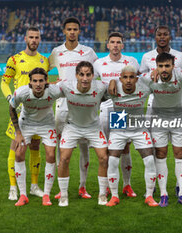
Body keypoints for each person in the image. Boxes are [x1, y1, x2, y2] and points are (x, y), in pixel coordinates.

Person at [49, 17, 98, 199]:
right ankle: (62, 189)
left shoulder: (88, 52)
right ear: (64, 31)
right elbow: (42, 69)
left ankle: (82, 186)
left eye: (75, 29)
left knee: (84, 147)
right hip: (62, 105)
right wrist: (49, 82)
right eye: (68, 29)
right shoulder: (56, 52)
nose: (71, 32)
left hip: (84, 105)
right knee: (63, 149)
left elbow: (97, 72)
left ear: (79, 31)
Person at [139, 25, 182, 196]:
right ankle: (154, 184)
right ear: (155, 37)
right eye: (159, 35)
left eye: (165, 35)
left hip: (175, 101)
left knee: (179, 150)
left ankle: (179, 185)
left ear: (170, 36)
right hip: (154, 103)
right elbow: (141, 79)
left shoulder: (180, 56)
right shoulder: (147, 57)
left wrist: (177, 85)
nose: (162, 37)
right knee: (156, 148)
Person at [1, 26, 49, 201]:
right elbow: (4, 82)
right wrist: (10, 99)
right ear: (25, 39)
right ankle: (13, 187)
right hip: (20, 113)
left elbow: (47, 84)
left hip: (39, 113)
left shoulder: (45, 61)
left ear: (40, 39)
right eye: (31, 37)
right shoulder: (15, 59)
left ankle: (34, 186)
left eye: (37, 37)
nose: (34, 40)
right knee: (16, 147)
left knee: (35, 147)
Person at [56, 61, 109, 207]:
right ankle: (64, 195)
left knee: (104, 158)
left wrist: (113, 84)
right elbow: (47, 90)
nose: (85, 78)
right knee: (64, 158)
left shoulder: (100, 86)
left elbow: (117, 87)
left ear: (93, 76)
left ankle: (102, 195)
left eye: (88, 75)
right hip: (72, 127)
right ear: (76, 75)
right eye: (81, 75)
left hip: (93, 127)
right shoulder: (66, 85)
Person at [93, 32, 139, 197]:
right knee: (105, 150)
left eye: (118, 42)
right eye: (112, 42)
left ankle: (127, 185)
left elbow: (137, 81)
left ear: (122, 45)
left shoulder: (131, 62)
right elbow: (91, 82)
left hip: (122, 110)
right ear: (107, 45)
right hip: (106, 109)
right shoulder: (99, 63)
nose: (115, 45)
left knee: (124, 147)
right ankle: (106, 185)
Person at [106, 66, 158, 207]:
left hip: (139, 126)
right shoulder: (113, 88)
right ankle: (114, 196)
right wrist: (111, 81)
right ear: (120, 78)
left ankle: (149, 196)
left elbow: (165, 83)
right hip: (119, 123)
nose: (128, 81)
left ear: (136, 78)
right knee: (112, 161)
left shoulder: (145, 87)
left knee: (149, 161)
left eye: (131, 77)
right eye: (125, 77)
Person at [9, 68, 62, 206]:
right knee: (19, 154)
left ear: (46, 82)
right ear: (30, 82)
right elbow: (11, 108)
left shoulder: (55, 90)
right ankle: (23, 195)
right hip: (26, 123)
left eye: (41, 81)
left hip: (47, 123)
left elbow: (72, 92)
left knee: (51, 155)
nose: (38, 84)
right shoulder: (21, 92)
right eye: (35, 81)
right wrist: (18, 133)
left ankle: (46, 195)